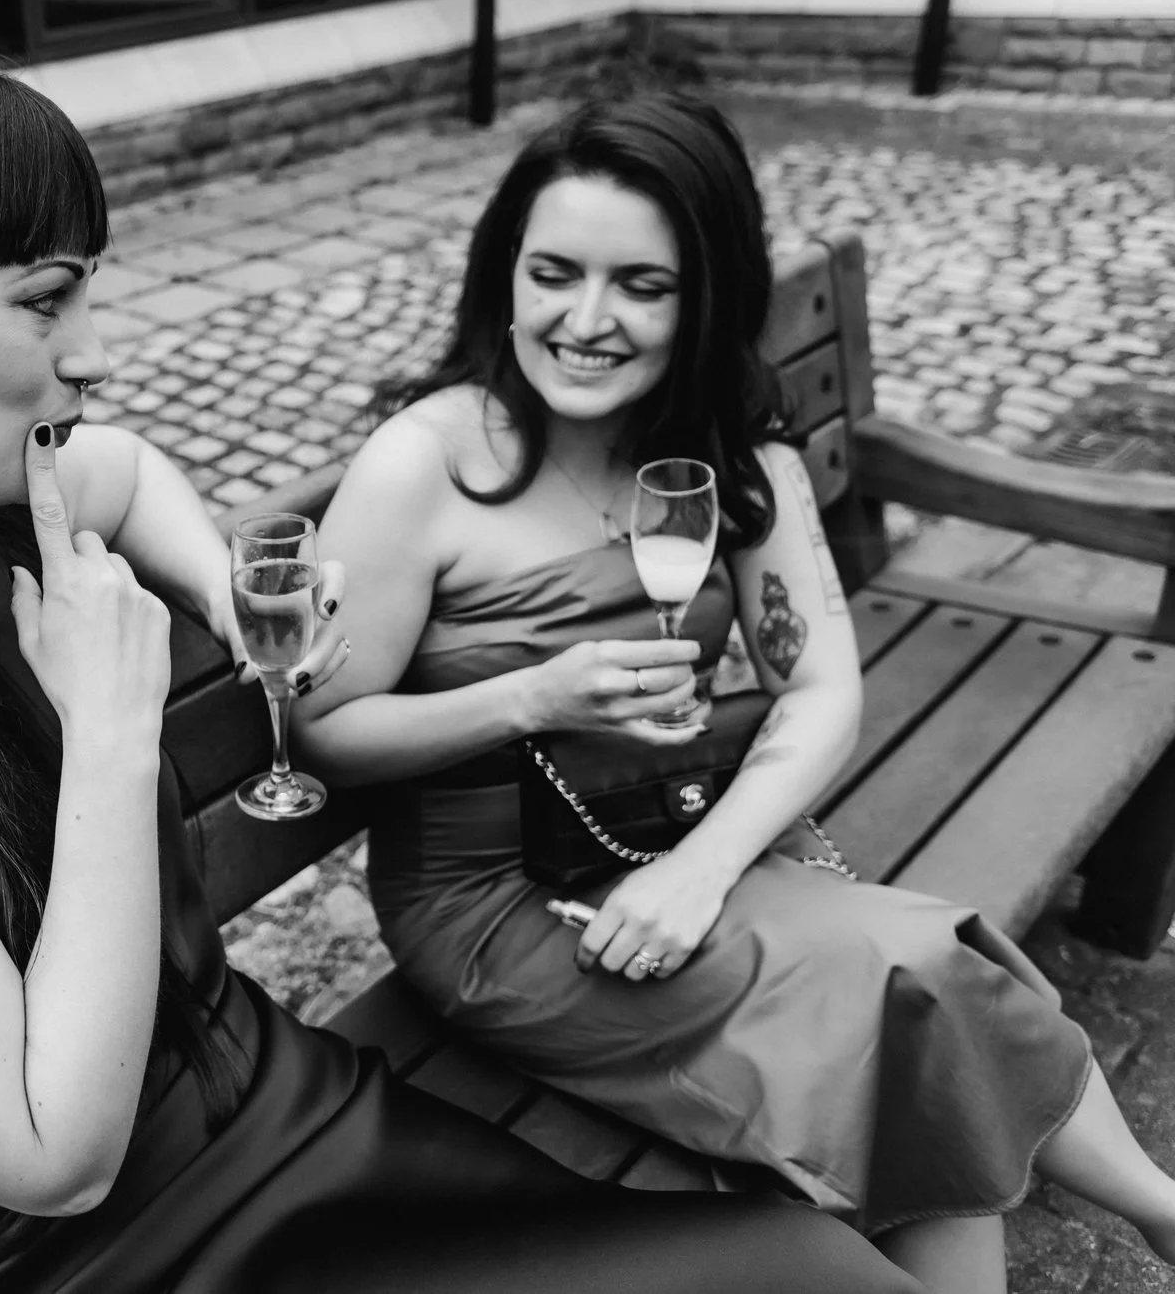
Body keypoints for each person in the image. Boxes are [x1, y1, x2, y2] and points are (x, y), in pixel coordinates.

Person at [0, 40, 922, 1293]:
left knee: (804, 1266)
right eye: (42, 299)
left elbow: (128, 470)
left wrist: (226, 590)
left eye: (89, 288)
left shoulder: (1, 497)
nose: (92, 350)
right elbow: (50, 1159)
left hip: (278, 1106)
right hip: (97, 1253)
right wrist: (110, 734)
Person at [296, 90, 1175, 1294]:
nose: (585, 321)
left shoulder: (727, 454)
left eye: (640, 287)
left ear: (702, 294)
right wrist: (532, 696)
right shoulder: (429, 464)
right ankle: (1161, 1214)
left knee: (916, 992)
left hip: (692, 843)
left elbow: (817, 681)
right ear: (503, 274)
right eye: (552, 273)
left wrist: (702, 865)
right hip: (505, 910)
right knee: (907, 982)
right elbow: (324, 731)